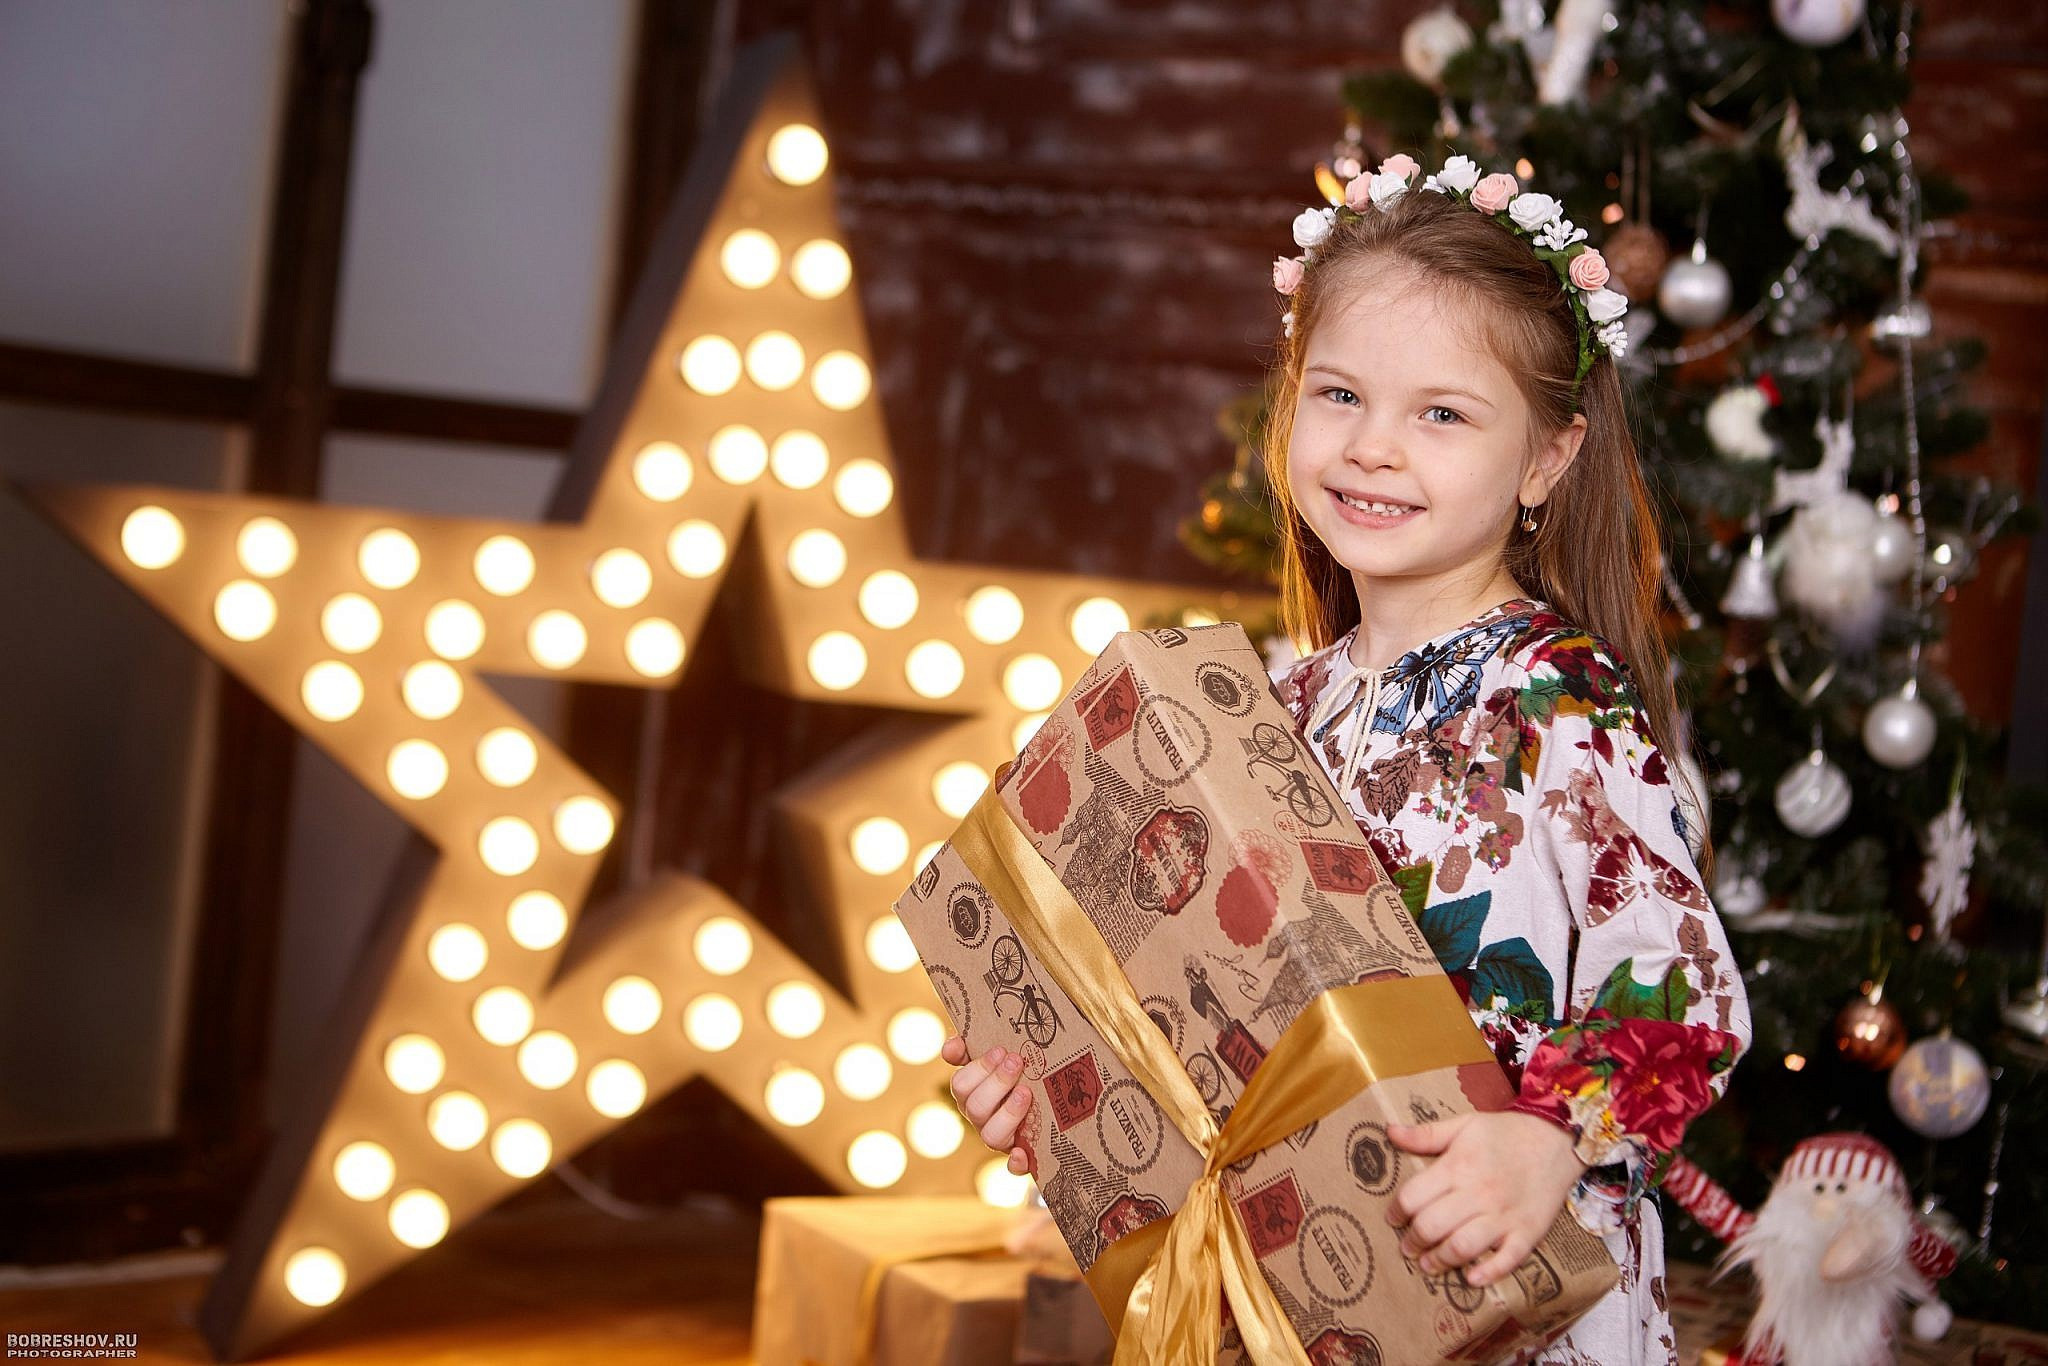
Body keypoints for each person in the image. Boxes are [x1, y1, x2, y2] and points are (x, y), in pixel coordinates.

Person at [941, 152, 1753, 1364]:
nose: (1373, 447)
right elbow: (1191, 1004)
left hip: (1508, 1296)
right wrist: (1053, 1095)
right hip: (1296, 1296)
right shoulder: (1266, 705)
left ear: (1545, 457)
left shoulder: (1556, 705)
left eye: (1440, 412)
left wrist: (1547, 1140)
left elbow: (1679, 992)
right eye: (1336, 394)